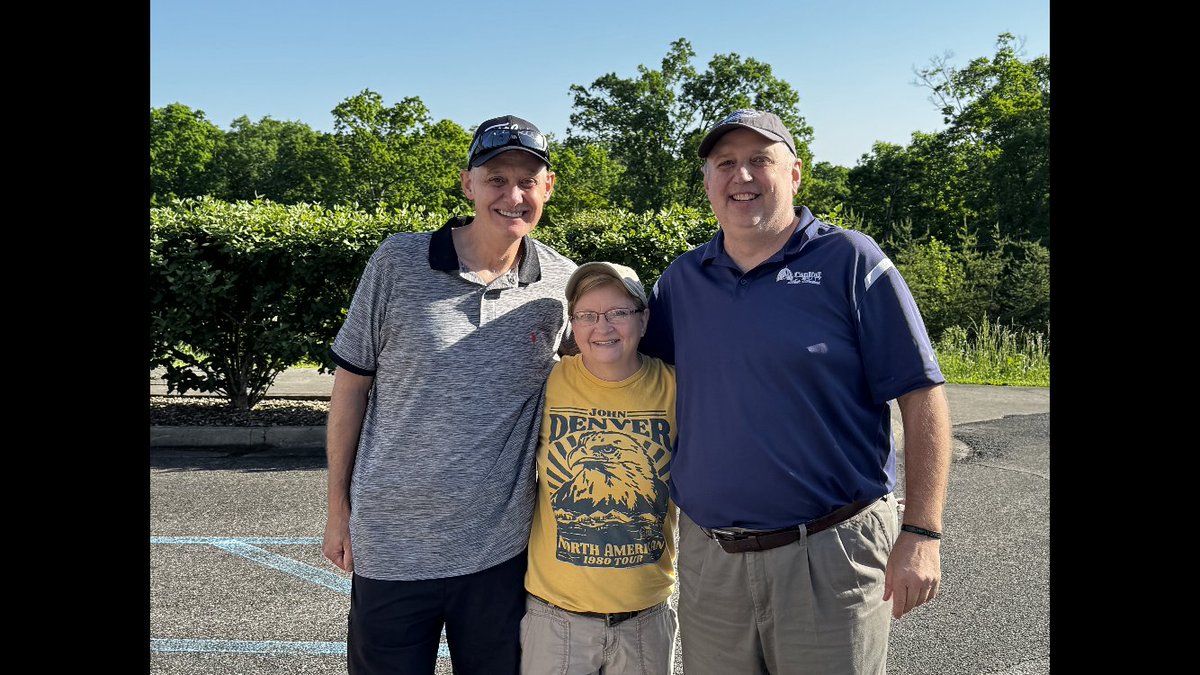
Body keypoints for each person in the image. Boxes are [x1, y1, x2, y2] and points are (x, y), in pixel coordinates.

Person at [639, 109, 953, 675]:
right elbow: (632, 372)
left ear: (796, 173)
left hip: (830, 555)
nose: (743, 177)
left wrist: (922, 531)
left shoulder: (851, 261)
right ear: (708, 181)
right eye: (726, 164)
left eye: (760, 160)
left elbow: (921, 394)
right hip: (712, 561)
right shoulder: (680, 281)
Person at [321, 114, 577, 675]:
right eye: (496, 179)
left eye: (528, 181)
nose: (513, 195)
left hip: (499, 551)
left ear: (548, 188)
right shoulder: (398, 261)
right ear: (468, 184)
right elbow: (350, 389)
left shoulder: (562, 284)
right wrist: (338, 510)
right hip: (391, 542)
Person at [520, 262, 679, 675]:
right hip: (554, 619)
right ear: (573, 325)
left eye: (617, 313)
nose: (602, 326)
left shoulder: (677, 388)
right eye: (587, 315)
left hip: (645, 619)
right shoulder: (548, 382)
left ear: (643, 319)